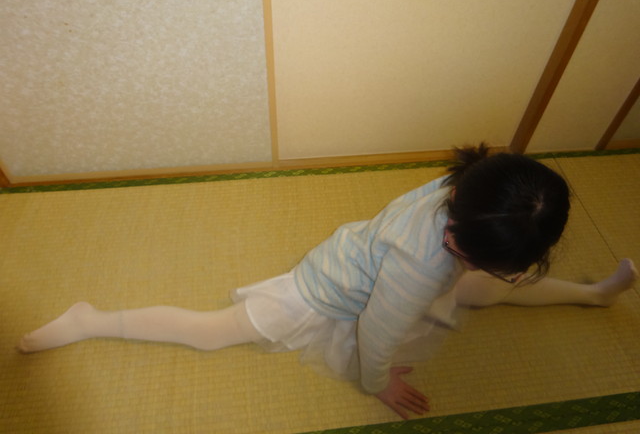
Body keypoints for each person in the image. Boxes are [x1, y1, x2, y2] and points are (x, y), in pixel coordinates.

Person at [17, 144, 637, 419]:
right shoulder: (420, 267)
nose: (470, 258)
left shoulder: (467, 185)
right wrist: (377, 382)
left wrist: (484, 267)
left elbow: (482, 258)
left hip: (371, 259)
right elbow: (377, 332)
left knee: (494, 290)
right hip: (320, 292)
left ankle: (592, 294)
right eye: (478, 254)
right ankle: (89, 320)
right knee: (213, 332)